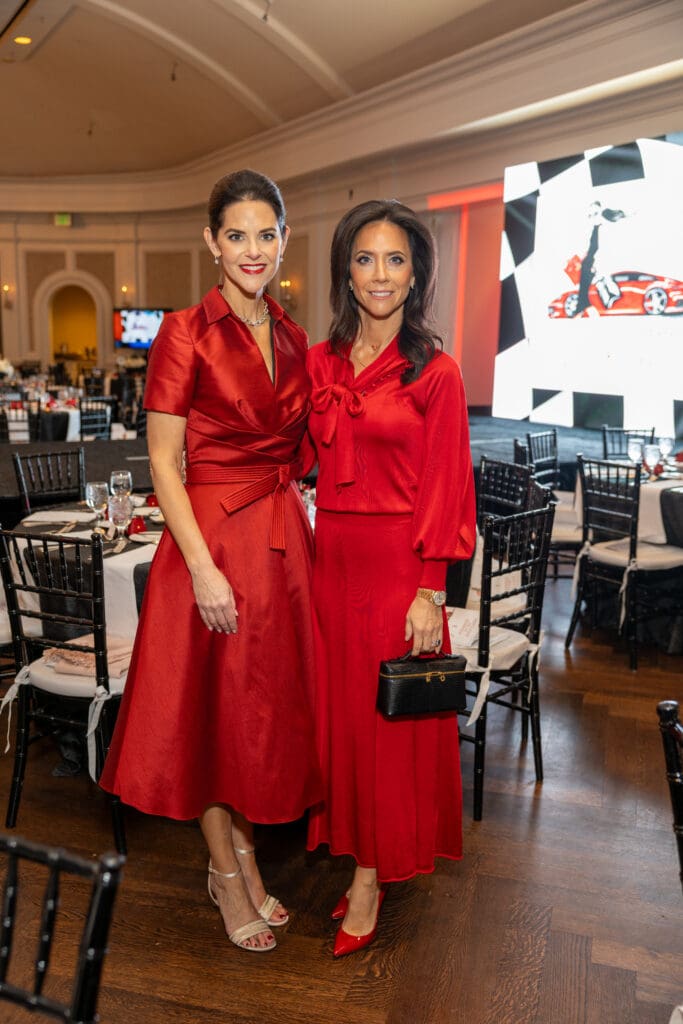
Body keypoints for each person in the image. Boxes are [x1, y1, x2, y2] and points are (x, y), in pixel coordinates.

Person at [100, 169, 322, 953]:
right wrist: (199, 568)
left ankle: (247, 859)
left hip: (280, 537)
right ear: (211, 243)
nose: (252, 250)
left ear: (284, 240)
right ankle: (225, 874)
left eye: (267, 234)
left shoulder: (292, 335)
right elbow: (163, 463)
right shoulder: (184, 331)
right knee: (206, 715)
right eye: (237, 235)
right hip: (212, 541)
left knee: (254, 715)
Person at [305, 199, 476, 956]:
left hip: (397, 565)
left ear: (416, 275)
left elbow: (447, 484)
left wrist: (429, 589)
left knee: (381, 729)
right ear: (345, 268)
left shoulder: (435, 372)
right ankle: (359, 848)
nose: (380, 274)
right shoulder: (320, 361)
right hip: (328, 562)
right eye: (366, 258)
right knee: (340, 719)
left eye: (395, 259)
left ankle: (370, 877)